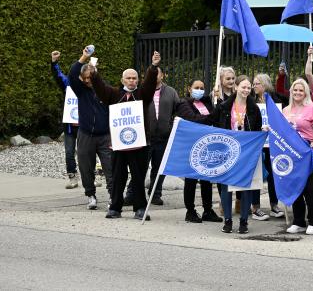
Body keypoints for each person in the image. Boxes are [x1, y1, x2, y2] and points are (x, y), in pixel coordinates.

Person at [91, 51, 159, 220]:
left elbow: (150, 84)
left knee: (138, 178)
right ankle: (115, 208)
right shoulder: (114, 95)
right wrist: (94, 73)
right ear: (122, 80)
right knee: (118, 177)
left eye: (134, 78)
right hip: (118, 145)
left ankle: (140, 208)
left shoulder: (142, 95)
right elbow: (100, 88)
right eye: (128, 78)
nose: (131, 81)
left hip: (139, 145)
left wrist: (153, 67)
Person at [211, 75, 263, 234]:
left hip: (246, 152)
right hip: (228, 151)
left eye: (249, 88)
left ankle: (243, 222)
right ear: (236, 87)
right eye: (243, 87)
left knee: (245, 187)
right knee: (226, 187)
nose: (246, 90)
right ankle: (227, 220)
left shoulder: (254, 108)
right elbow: (212, 122)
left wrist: (263, 132)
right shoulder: (224, 106)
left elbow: (258, 129)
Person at [67, 47, 114, 210]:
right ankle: (91, 195)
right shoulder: (80, 90)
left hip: (105, 135)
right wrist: (83, 57)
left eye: (90, 78)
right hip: (85, 134)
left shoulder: (106, 90)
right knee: (86, 167)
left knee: (110, 166)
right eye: (85, 78)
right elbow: (72, 75)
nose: (87, 81)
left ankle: (112, 195)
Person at [279, 78, 313, 235]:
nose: (297, 92)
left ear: (306, 93)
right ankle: (298, 221)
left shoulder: (312, 109)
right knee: (294, 187)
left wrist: (312, 148)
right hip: (290, 153)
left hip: (305, 151)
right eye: (295, 90)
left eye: (301, 90)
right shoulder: (285, 110)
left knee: (308, 188)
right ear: (291, 91)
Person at [176, 80, 223, 223]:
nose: (199, 90)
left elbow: (219, 114)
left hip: (207, 145)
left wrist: (218, 99)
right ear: (189, 89)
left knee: (206, 180)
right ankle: (190, 211)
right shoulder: (184, 104)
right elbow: (194, 119)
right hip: (192, 146)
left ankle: (207, 210)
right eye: (196, 87)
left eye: (202, 88)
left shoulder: (208, 102)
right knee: (191, 179)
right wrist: (212, 117)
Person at [141, 65, 180, 206]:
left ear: (162, 76)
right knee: (140, 167)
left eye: (158, 74)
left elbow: (179, 109)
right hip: (145, 137)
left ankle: (155, 194)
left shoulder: (171, 92)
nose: (155, 76)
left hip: (163, 137)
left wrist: (170, 126)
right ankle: (132, 193)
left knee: (159, 168)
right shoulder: (142, 91)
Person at [251, 73, 283, 221]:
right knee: (257, 175)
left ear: (264, 84)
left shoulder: (275, 100)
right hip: (258, 142)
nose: (254, 86)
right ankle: (255, 207)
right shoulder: (251, 101)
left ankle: (274, 205)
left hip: (272, 143)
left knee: (273, 174)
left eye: (257, 83)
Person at [51, 51, 78, 189]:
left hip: (85, 126)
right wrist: (54, 62)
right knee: (69, 152)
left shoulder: (89, 85)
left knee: (88, 153)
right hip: (69, 126)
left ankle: (90, 177)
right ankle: (72, 177)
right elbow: (58, 75)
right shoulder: (67, 84)